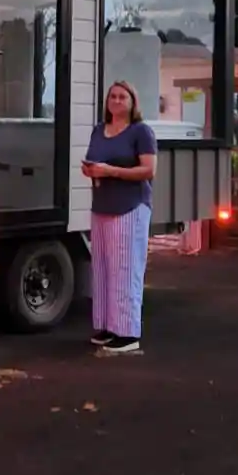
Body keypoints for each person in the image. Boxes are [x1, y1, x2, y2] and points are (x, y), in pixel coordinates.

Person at [81, 80, 157, 354]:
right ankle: (106, 326)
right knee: (101, 269)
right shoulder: (99, 130)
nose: (116, 100)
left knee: (125, 270)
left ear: (132, 102)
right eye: (112, 96)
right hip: (101, 206)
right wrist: (91, 171)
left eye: (122, 96)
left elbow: (148, 170)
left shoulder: (141, 132)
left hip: (130, 207)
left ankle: (127, 333)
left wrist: (110, 171)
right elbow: (94, 161)